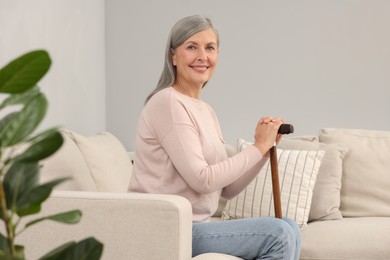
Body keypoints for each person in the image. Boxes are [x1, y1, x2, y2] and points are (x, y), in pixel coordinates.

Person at [128, 15, 301, 259]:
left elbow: (226, 190)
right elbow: (203, 180)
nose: (202, 56)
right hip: (166, 229)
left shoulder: (206, 110)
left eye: (210, 48)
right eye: (191, 47)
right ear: (173, 56)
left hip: (195, 227)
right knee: (277, 233)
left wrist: (263, 149)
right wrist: (259, 146)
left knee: (291, 227)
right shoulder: (167, 102)